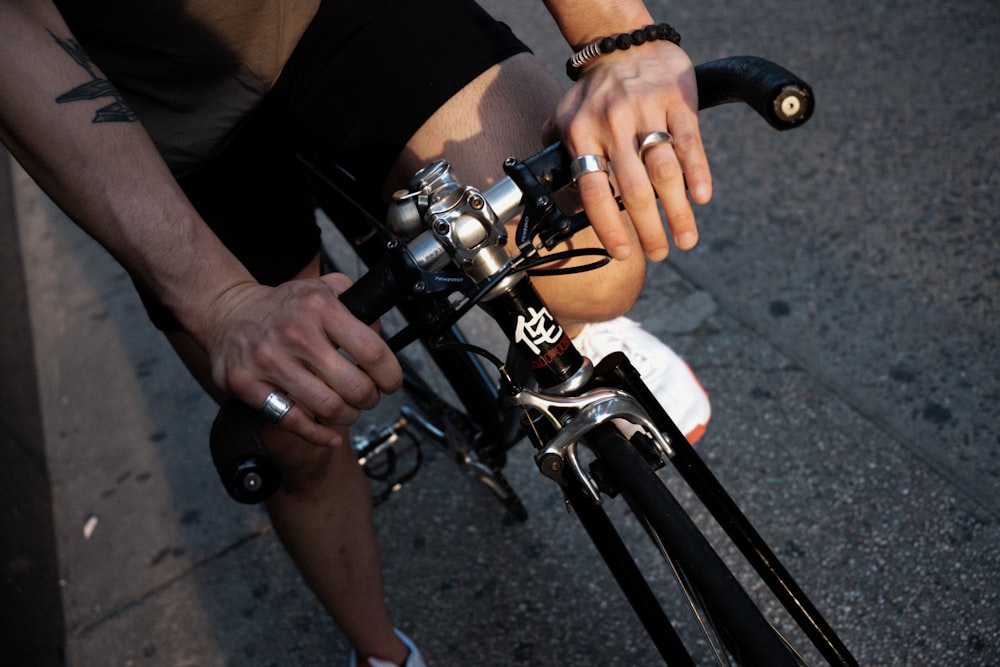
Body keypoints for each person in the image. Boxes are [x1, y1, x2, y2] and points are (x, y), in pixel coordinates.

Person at [0, 1, 713, 664]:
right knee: (293, 427)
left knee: (593, 261)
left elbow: (618, 47)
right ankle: (380, 653)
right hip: (156, 108)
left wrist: (619, 37)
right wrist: (218, 302)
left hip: (350, 15)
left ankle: (573, 327)